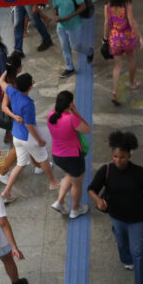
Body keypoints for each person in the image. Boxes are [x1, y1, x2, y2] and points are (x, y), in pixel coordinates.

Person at [88, 131, 143, 284]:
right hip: (117, 216)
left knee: (139, 253)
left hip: (137, 219)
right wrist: (98, 201)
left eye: (122, 157)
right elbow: (91, 189)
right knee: (122, 242)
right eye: (115, 156)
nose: (118, 160)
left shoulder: (140, 172)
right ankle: (126, 259)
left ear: (129, 155)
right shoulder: (106, 170)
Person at [0, 72, 60, 202]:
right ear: (30, 87)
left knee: (20, 164)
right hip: (28, 138)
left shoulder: (12, 92)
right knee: (43, 159)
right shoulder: (28, 104)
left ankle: (7, 191)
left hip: (16, 136)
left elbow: (0, 81)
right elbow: (29, 125)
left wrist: (7, 70)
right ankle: (53, 182)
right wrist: (39, 140)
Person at [47, 90, 91, 218]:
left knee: (69, 175)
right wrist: (76, 112)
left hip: (57, 156)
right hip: (73, 157)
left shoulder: (51, 115)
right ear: (70, 104)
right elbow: (87, 129)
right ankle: (75, 209)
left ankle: (59, 202)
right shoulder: (72, 119)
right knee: (77, 184)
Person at [104, 0, 143, 105]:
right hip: (127, 38)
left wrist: (105, 38)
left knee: (117, 66)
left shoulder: (108, 5)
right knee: (131, 59)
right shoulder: (127, 4)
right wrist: (140, 36)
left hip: (115, 39)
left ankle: (114, 92)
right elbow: (131, 22)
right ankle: (132, 83)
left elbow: (106, 23)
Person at [51, 0, 94, 79]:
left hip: (74, 25)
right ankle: (69, 67)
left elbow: (83, 6)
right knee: (65, 47)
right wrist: (56, 15)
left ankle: (89, 51)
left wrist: (70, 17)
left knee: (76, 46)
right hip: (61, 26)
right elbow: (55, 7)